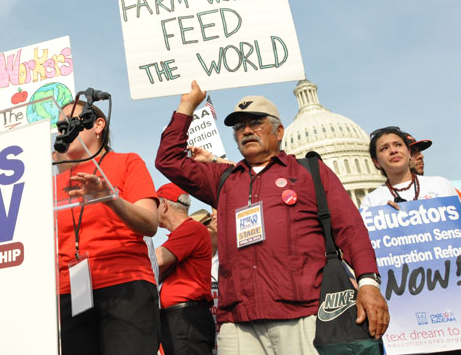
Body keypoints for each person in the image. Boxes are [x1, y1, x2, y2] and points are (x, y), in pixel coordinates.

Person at [155, 80, 389, 355]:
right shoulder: (225, 181)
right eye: (239, 127)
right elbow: (168, 160)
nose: (247, 131)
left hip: (301, 313)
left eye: (256, 123)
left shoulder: (309, 173)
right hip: (238, 323)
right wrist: (188, 105)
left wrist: (369, 284)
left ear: (279, 131)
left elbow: (351, 231)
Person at [54, 100, 160, 355]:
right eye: (59, 127)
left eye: (71, 123)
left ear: (98, 124)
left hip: (125, 286)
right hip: (69, 293)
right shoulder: (53, 181)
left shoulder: (127, 162)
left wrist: (109, 198)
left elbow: (150, 223)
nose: (63, 131)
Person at [155, 183, 215, 355]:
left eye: (155, 205)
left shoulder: (192, 229)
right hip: (178, 319)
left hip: (187, 318)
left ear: (164, 205)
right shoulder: (181, 235)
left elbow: (156, 260)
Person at [360, 127, 456, 209]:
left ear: (409, 152)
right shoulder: (371, 202)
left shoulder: (441, 184)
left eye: (398, 145)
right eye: (384, 148)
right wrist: (386, 216)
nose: (393, 150)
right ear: (376, 162)